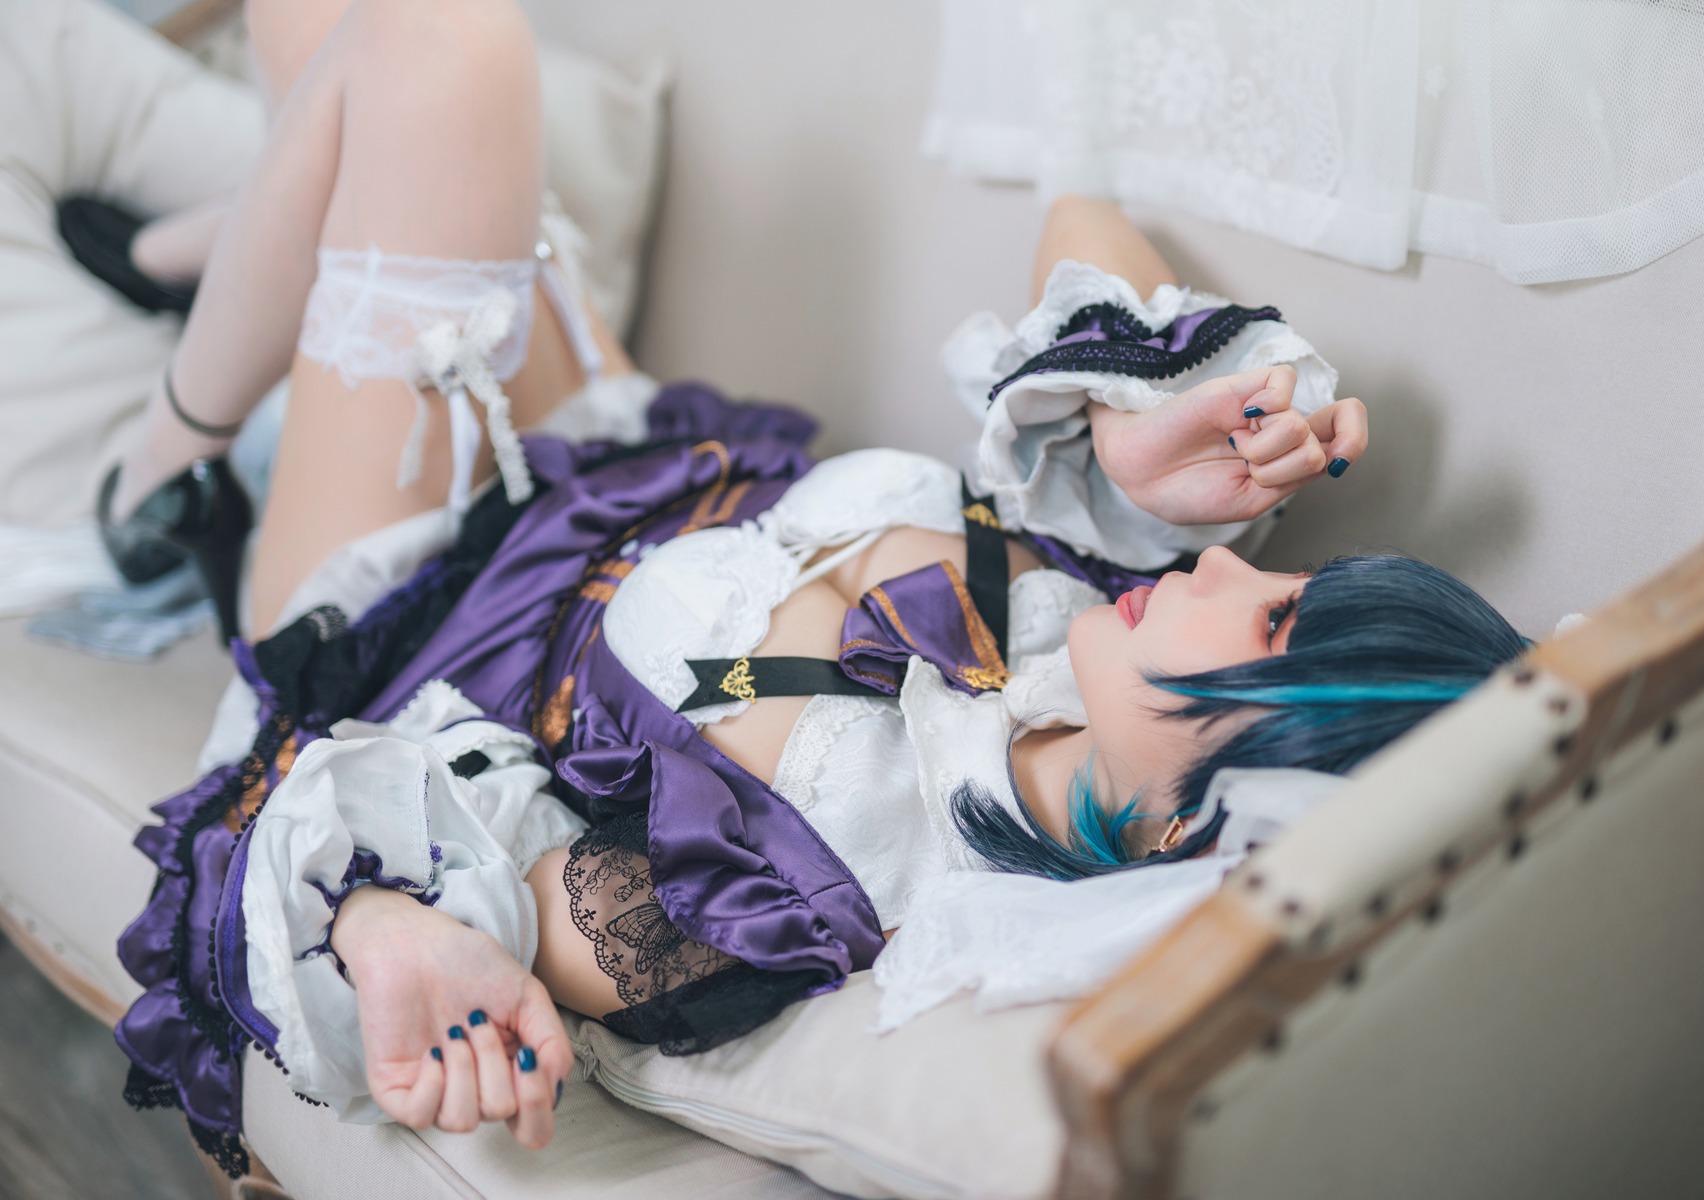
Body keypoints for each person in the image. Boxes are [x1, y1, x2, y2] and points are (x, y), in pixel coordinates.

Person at [102, 0, 1529, 1176]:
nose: (1227, 565)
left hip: (411, 586)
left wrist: (380, 923)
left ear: (1212, 824)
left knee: (436, 44)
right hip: (605, 452)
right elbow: (1082, 210)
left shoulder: (789, 891)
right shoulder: (1103, 599)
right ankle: (215, 250)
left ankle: (156, 470)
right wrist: (1135, 415)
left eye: (1271, 619)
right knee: (322, 23)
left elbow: (370, 837)